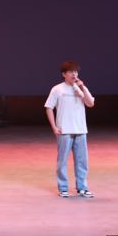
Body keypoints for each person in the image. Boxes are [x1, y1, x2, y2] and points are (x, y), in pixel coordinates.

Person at [44, 61, 95, 198]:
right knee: (62, 161)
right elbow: (49, 107)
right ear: (64, 74)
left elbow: (90, 103)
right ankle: (63, 188)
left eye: (76, 72)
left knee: (82, 162)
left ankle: (82, 188)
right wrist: (54, 127)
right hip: (64, 130)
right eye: (71, 72)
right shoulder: (57, 89)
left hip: (81, 130)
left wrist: (82, 87)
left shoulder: (81, 88)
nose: (74, 74)